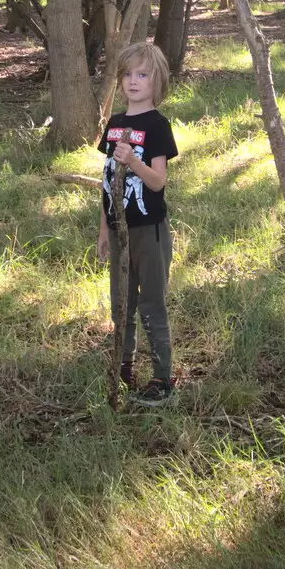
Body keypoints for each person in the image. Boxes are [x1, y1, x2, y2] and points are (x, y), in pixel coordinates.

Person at [94, 41, 179, 406]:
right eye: (127, 74)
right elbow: (108, 179)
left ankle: (162, 380)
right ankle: (123, 366)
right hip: (118, 230)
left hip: (149, 231)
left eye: (142, 74)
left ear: (156, 80)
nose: (133, 81)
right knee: (121, 303)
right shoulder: (115, 124)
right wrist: (103, 229)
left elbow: (158, 181)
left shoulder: (158, 126)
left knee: (151, 305)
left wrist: (135, 162)